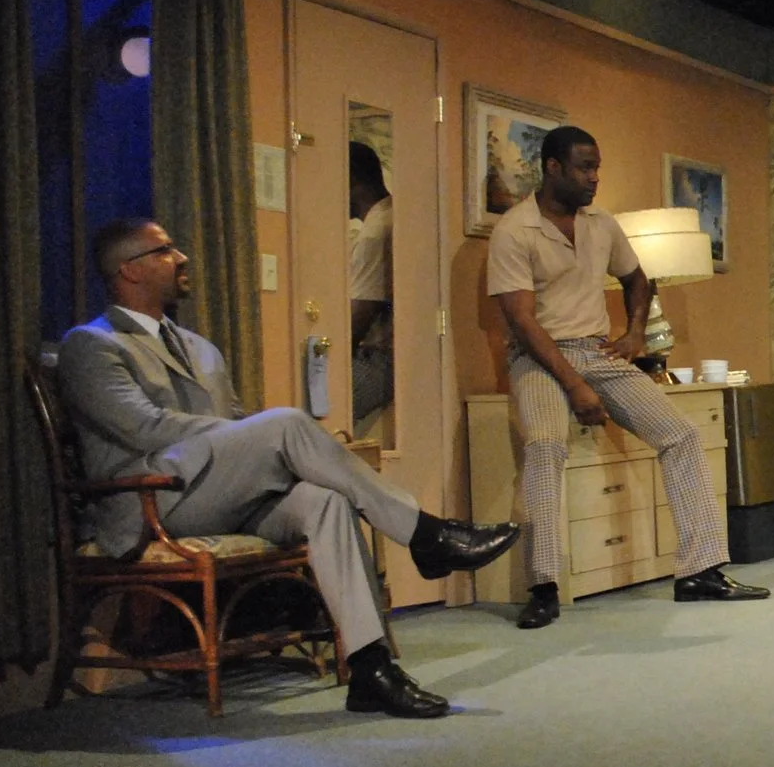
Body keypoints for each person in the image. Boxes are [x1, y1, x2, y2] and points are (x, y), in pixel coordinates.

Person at [58, 218, 521, 719]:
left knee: (326, 501)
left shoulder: (199, 347)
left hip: (215, 494)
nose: (182, 258)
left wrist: (247, 440)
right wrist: (249, 438)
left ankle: (371, 669)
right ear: (129, 270)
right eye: (165, 250)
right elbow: (144, 429)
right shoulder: (92, 344)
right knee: (284, 424)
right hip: (153, 501)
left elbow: (235, 425)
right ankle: (427, 534)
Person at [488, 125, 769, 630]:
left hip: (597, 351)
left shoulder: (602, 224)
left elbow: (637, 278)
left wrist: (635, 332)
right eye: (585, 168)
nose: (594, 178)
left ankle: (700, 570)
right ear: (553, 168)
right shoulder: (514, 230)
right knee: (546, 447)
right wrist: (574, 384)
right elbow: (522, 322)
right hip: (537, 357)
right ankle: (544, 586)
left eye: (597, 168)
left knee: (682, 434)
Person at [347, 142, 394, 427]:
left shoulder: (375, 233)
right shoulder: (393, 216)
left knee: (311, 405)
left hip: (379, 359)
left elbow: (362, 314)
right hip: (385, 355)